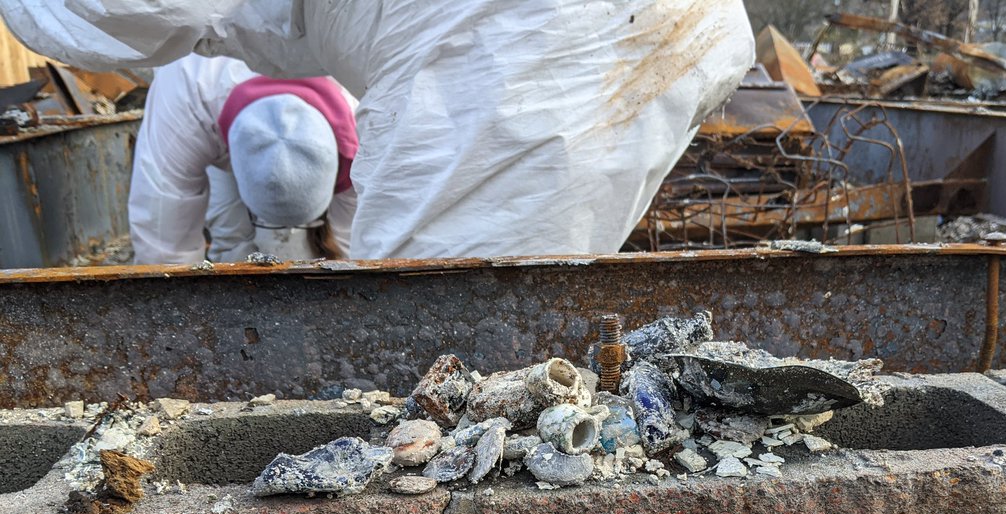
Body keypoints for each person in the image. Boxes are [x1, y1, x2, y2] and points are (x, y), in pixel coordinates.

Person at [0, 0, 754, 261]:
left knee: (447, 378)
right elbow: (167, 237)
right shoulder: (186, 97)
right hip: (583, 39)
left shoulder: (363, 127)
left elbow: (138, 13)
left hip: (525, 49)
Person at [129, 54, 357, 264]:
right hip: (210, 124)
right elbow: (164, 247)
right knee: (229, 229)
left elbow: (354, 236)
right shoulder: (185, 106)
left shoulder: (364, 119)